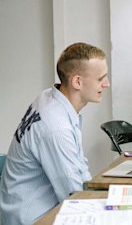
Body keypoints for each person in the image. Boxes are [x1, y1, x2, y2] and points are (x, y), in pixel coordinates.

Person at [0, 43, 110, 224]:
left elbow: (78, 168)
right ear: (77, 82)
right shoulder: (56, 127)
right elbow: (74, 195)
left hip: (29, 209)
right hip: (33, 218)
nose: (106, 84)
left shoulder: (49, 97)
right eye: (101, 78)